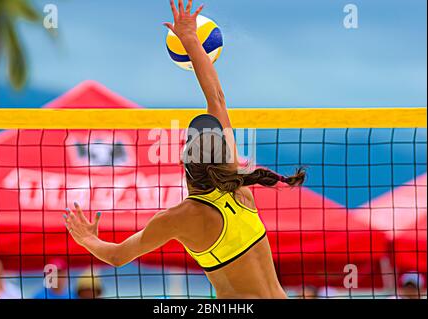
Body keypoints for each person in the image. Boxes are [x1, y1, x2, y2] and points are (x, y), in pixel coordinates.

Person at [64, 0, 305, 299]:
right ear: (224, 160)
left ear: (185, 165)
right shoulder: (239, 190)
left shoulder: (181, 217)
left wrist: (87, 238)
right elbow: (216, 97)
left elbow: (116, 257)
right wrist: (191, 39)